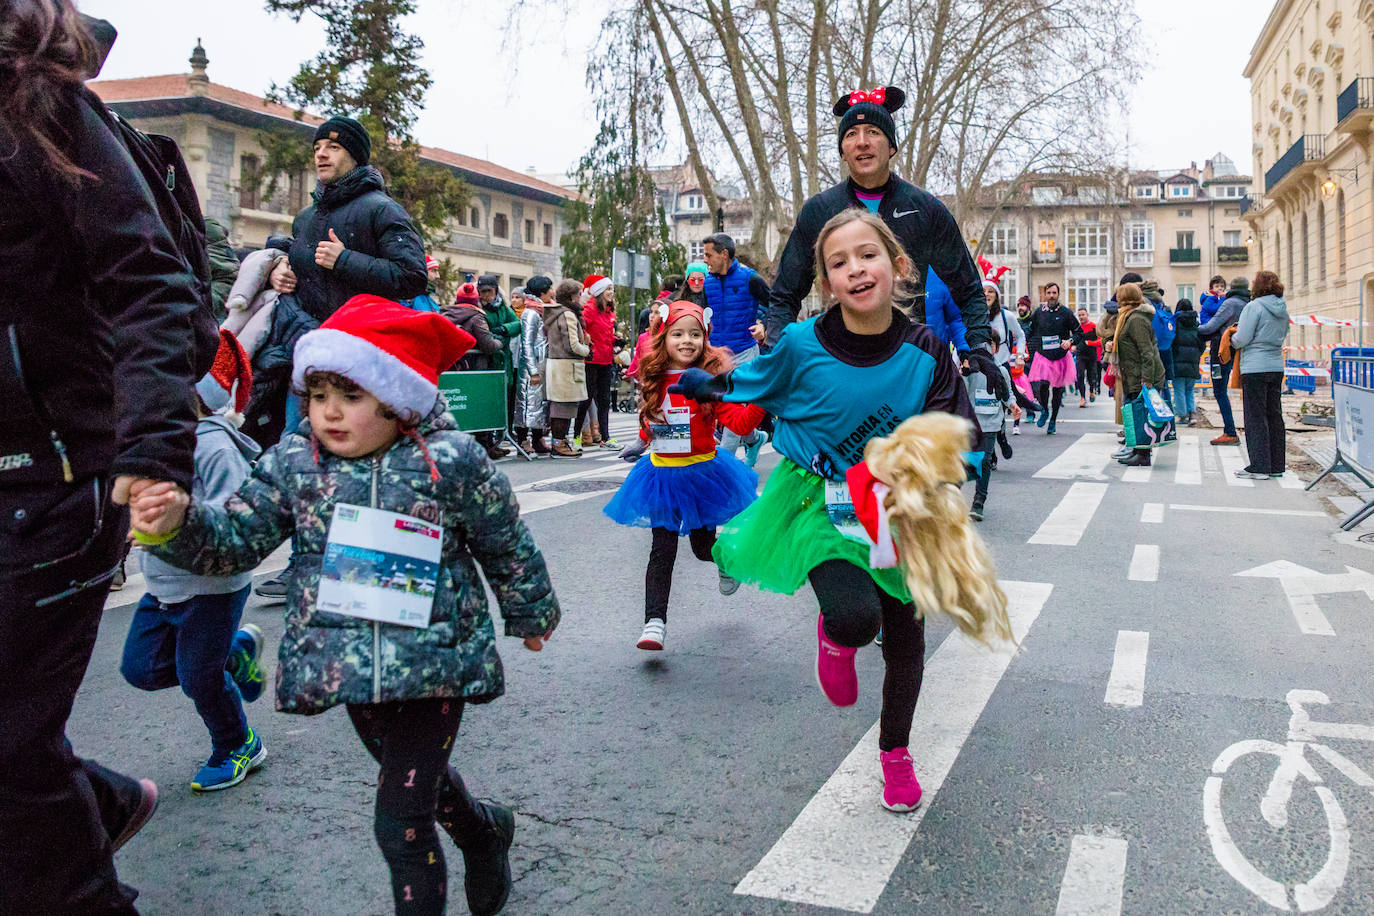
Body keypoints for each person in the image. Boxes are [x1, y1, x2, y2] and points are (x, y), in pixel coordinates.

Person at [129, 297, 560, 916]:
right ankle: (482, 831)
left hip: (435, 663)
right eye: (319, 392)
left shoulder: (450, 461)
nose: (329, 411)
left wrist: (530, 613)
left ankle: (466, 846)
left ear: (397, 398)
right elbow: (235, 542)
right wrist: (180, 523)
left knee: (400, 824)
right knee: (417, 787)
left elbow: (504, 538)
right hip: (347, 665)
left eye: (350, 396)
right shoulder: (293, 464)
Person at [0, 6, 218, 912]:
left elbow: (152, 283)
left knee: (7, 746)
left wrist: (153, 451)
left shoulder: (39, 105)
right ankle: (99, 798)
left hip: (55, 476)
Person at [669, 209, 986, 812]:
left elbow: (958, 430)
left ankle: (896, 754)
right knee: (854, 615)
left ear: (898, 267)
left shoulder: (926, 350)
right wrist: (705, 386)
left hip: (900, 507)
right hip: (820, 499)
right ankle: (837, 636)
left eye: (867, 256)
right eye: (838, 263)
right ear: (827, 282)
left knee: (905, 637)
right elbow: (754, 380)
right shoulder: (802, 342)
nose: (855, 270)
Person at [253, 113, 427, 598]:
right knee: (301, 456)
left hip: (365, 362)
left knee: (363, 464)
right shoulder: (306, 219)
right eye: (317, 147)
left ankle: (369, 563)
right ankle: (302, 562)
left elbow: (412, 276)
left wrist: (345, 260)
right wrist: (285, 272)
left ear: (355, 154)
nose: (321, 154)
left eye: (333, 145)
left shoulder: (380, 209)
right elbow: (307, 273)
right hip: (309, 358)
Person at [764, 85, 997, 385]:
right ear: (843, 153)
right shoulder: (820, 211)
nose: (862, 142)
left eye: (873, 131)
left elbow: (968, 289)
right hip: (839, 366)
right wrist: (775, 355)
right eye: (851, 135)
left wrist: (979, 347)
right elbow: (784, 295)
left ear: (891, 147)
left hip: (910, 365)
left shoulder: (926, 209)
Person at [120, 330, 268, 793]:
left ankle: (239, 743)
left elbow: (237, 516)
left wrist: (176, 521)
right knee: (140, 669)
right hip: (163, 583)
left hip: (211, 588)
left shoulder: (215, 447)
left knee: (199, 678)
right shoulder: (156, 439)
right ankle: (233, 654)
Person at [603, 300, 765, 650]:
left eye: (695, 334)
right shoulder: (654, 376)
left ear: (705, 339)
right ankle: (654, 623)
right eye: (678, 334)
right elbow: (652, 418)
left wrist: (764, 401)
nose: (687, 341)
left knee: (703, 548)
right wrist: (640, 441)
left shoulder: (709, 382)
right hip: (661, 476)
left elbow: (736, 422)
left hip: (702, 474)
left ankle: (726, 560)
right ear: (664, 337)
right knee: (662, 550)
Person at [700, 234, 772, 463]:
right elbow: (701, 314)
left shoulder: (750, 278)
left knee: (734, 404)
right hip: (717, 356)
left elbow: (777, 306)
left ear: (724, 254)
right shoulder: (707, 283)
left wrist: (763, 326)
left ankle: (724, 467)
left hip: (745, 353)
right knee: (726, 409)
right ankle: (753, 439)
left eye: (708, 254)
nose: (705, 259)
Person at [1232, 271, 1291, 480]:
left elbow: (1243, 338)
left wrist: (1231, 338)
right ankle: (1276, 465)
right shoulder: (1282, 308)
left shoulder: (1253, 307)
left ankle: (1259, 466)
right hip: (1276, 366)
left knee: (1255, 417)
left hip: (1255, 367)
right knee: (1274, 415)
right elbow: (1284, 334)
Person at [965, 344, 1021, 521]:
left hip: (991, 422)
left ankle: (979, 502)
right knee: (968, 462)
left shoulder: (1001, 370)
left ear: (996, 349)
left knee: (985, 460)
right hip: (972, 422)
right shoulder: (971, 369)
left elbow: (1008, 392)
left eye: (989, 345)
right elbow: (961, 392)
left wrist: (1012, 404)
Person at [1113, 283, 1166, 467]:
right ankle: (1138, 451)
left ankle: (1143, 455)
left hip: (1142, 375)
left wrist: (1147, 380)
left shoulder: (1136, 319)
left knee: (1142, 414)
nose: (1116, 299)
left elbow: (1147, 352)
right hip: (1134, 373)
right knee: (1137, 414)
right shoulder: (1129, 316)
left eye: (1119, 296)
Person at [1198, 276, 1250, 446]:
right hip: (1241, 350)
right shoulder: (1249, 303)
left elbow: (1211, 326)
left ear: (1232, 287)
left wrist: (1192, 327)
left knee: (1220, 390)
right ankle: (1242, 431)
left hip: (1221, 350)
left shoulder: (1230, 303)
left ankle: (1230, 431)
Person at [1025, 282, 1081, 435]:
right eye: (1048, 293)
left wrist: (1069, 341)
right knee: (1042, 386)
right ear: (1045, 295)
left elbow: (1078, 332)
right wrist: (1022, 346)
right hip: (1043, 356)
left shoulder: (1066, 312)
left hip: (1061, 357)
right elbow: (1030, 331)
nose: (1051, 296)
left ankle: (1053, 420)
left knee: (1057, 390)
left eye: (1054, 293)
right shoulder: (1039, 312)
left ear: (1058, 294)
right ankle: (1044, 410)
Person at [544, 279, 591, 458]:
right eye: (579, 294)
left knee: (560, 407)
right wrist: (586, 349)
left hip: (557, 364)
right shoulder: (568, 314)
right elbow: (572, 344)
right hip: (566, 365)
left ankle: (559, 442)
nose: (581, 297)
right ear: (572, 296)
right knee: (564, 408)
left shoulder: (555, 312)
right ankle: (559, 444)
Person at [576, 274, 620, 449]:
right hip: (591, 361)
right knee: (586, 400)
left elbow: (605, 334)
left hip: (606, 360)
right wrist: (588, 345)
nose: (611, 293)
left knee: (604, 400)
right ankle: (576, 437)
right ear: (599, 292)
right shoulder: (589, 310)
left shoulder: (609, 310)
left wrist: (615, 340)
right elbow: (582, 332)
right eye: (608, 289)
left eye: (611, 289)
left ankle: (605, 437)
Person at [477, 274, 521, 443]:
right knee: (488, 399)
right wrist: (498, 337)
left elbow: (518, 323)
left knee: (506, 398)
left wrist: (504, 329)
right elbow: (485, 334)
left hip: (504, 360)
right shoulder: (478, 308)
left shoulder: (503, 307)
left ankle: (505, 431)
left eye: (488, 291)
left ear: (495, 290)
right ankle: (489, 437)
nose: (485, 295)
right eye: (482, 291)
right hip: (486, 360)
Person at [516, 277, 552, 454]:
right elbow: (526, 344)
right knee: (526, 404)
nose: (552, 293)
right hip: (532, 366)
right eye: (549, 290)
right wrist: (532, 370)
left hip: (542, 364)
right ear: (542, 292)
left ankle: (538, 438)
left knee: (539, 404)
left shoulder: (541, 311)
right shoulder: (530, 313)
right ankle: (522, 439)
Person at [1141, 279, 1176, 416]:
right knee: (1164, 383)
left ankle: (1153, 417)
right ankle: (1168, 415)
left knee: (1150, 385)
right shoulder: (1162, 305)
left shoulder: (1144, 304)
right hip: (1166, 349)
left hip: (1153, 348)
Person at [1171, 300, 1203, 425]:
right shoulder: (1196, 323)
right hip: (1193, 361)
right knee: (1189, 389)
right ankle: (1192, 414)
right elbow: (1201, 343)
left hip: (1177, 361)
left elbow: (1171, 342)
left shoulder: (1175, 322)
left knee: (1179, 389)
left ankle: (1182, 415)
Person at [1075, 307, 1102, 406]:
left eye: (1083, 314)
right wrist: (1072, 346)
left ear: (1087, 315)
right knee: (1080, 375)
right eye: (1079, 315)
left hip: (1091, 355)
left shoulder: (1094, 326)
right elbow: (1072, 339)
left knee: (1091, 376)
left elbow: (1100, 341)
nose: (1081, 317)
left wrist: (1090, 343)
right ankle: (1082, 398)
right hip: (1080, 354)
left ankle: (1091, 391)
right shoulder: (1077, 328)